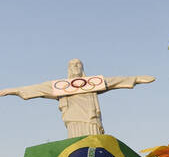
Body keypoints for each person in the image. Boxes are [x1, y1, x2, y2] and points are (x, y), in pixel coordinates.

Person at [0, 58, 154, 137]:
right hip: (73, 120)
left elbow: (114, 81)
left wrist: (136, 78)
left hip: (91, 118)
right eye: (72, 64)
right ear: (68, 69)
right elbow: (36, 88)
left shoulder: (93, 82)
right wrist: (12, 90)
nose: (75, 66)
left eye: (78, 64)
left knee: (94, 142)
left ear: (82, 68)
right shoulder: (61, 86)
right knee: (77, 146)